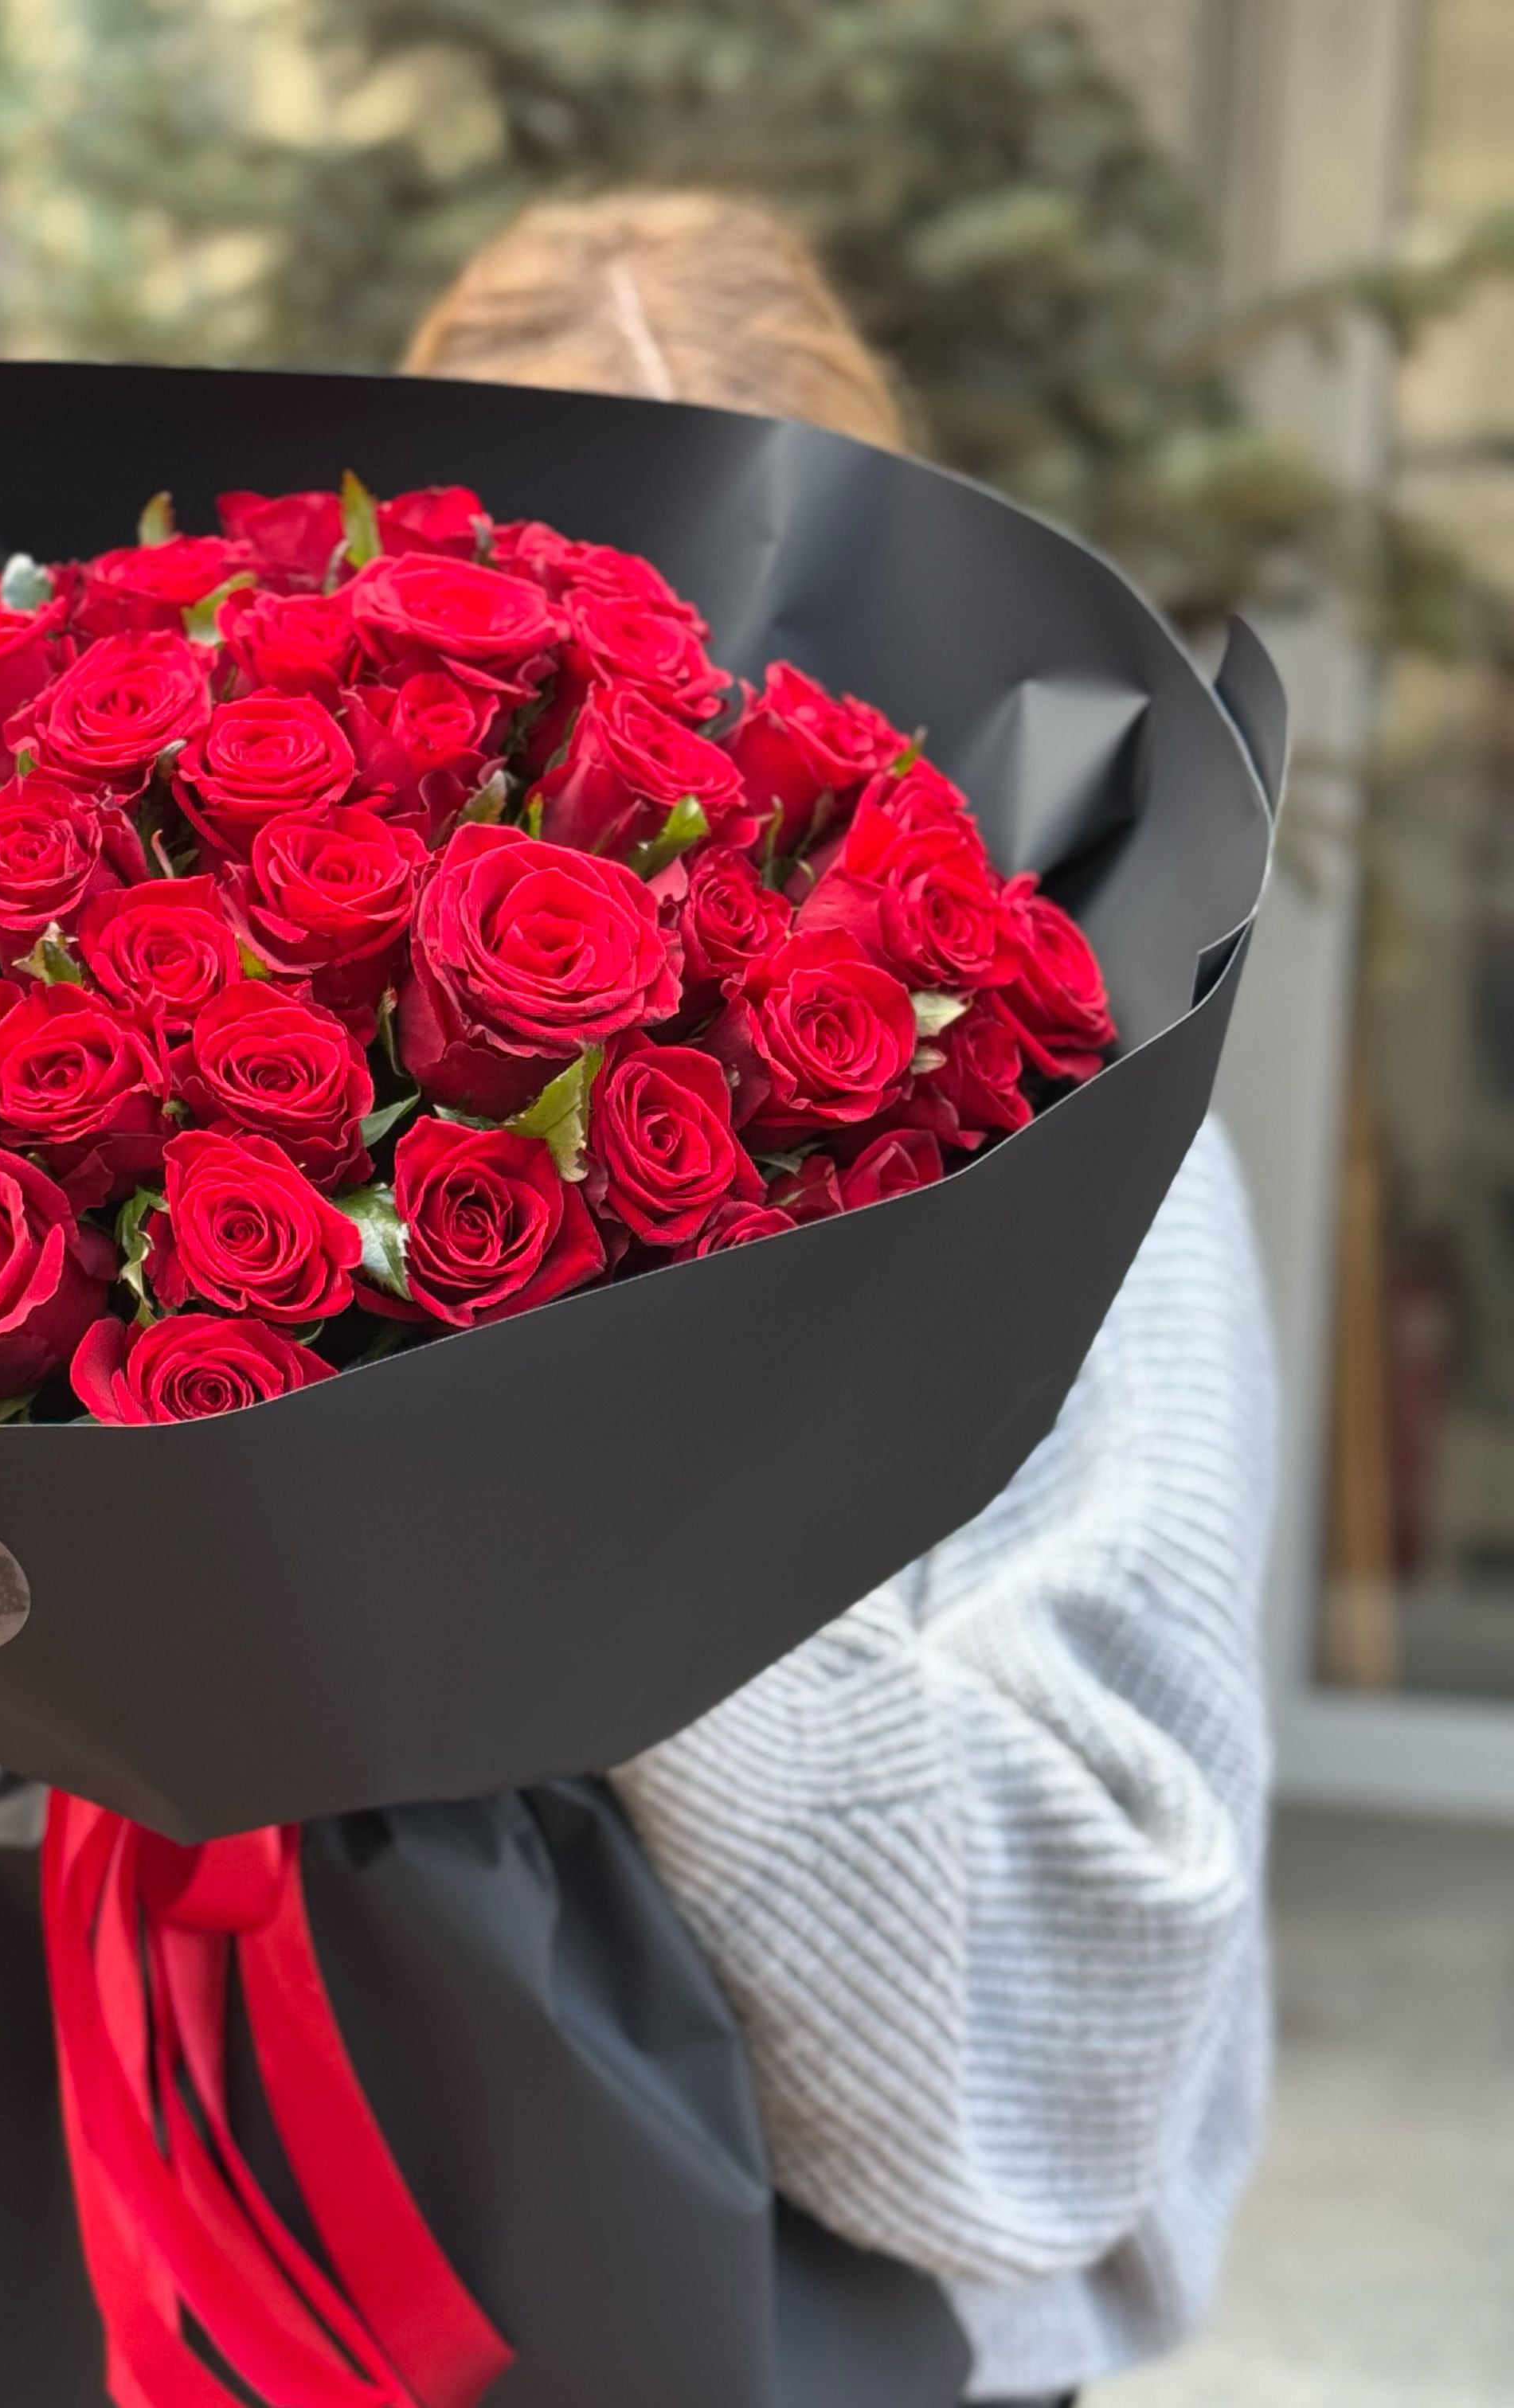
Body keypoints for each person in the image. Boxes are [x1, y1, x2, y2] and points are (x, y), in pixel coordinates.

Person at [409, 191, 1279, 2408]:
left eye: (711, 638)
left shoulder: (1085, 1144)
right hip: (305, 2278)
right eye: (516, 631)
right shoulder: (265, 1105)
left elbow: (1093, 1971)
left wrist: (584, 1582)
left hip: (838, 2348)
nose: (622, 739)